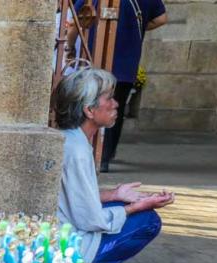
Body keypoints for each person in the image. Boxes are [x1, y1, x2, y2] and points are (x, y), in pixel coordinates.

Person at [54, 68, 174, 263]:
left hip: (63, 228)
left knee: (121, 206)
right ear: (89, 110)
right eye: (108, 99)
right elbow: (89, 219)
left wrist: (114, 195)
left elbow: (73, 198)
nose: (116, 104)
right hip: (67, 241)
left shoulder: (72, 140)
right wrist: (137, 206)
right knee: (148, 220)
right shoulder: (77, 149)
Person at [68, 0, 167, 172]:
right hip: (127, 60)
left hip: (96, 57)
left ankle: (90, 151)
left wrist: (70, 46)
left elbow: (76, 20)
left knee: (90, 106)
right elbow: (161, 19)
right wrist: (138, 27)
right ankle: (106, 156)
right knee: (116, 107)